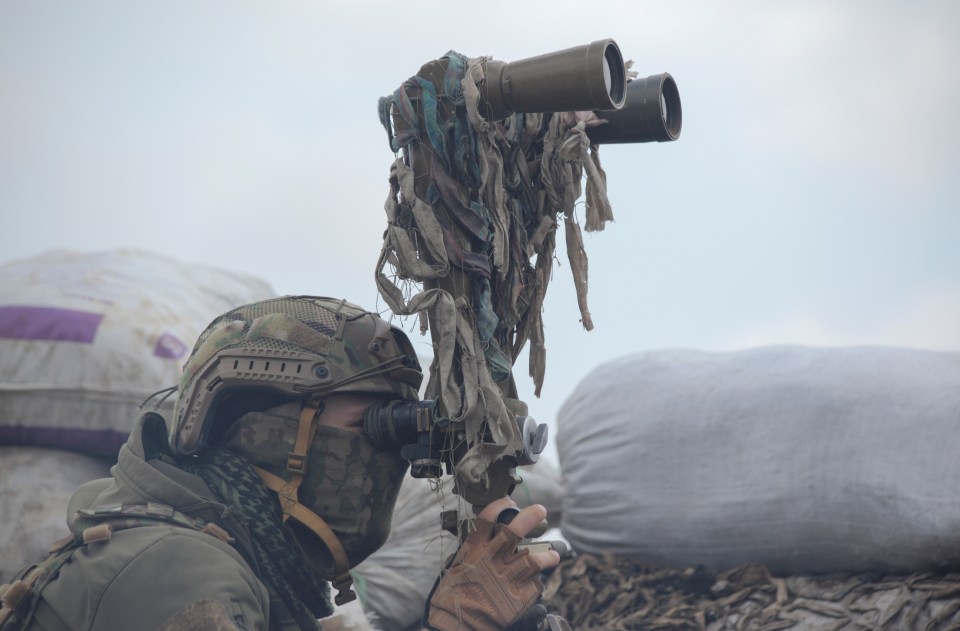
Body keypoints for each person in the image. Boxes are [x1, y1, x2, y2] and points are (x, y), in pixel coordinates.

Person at [0, 296, 559, 631]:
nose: (385, 458)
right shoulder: (180, 568)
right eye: (372, 425)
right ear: (268, 432)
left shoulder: (251, 569)